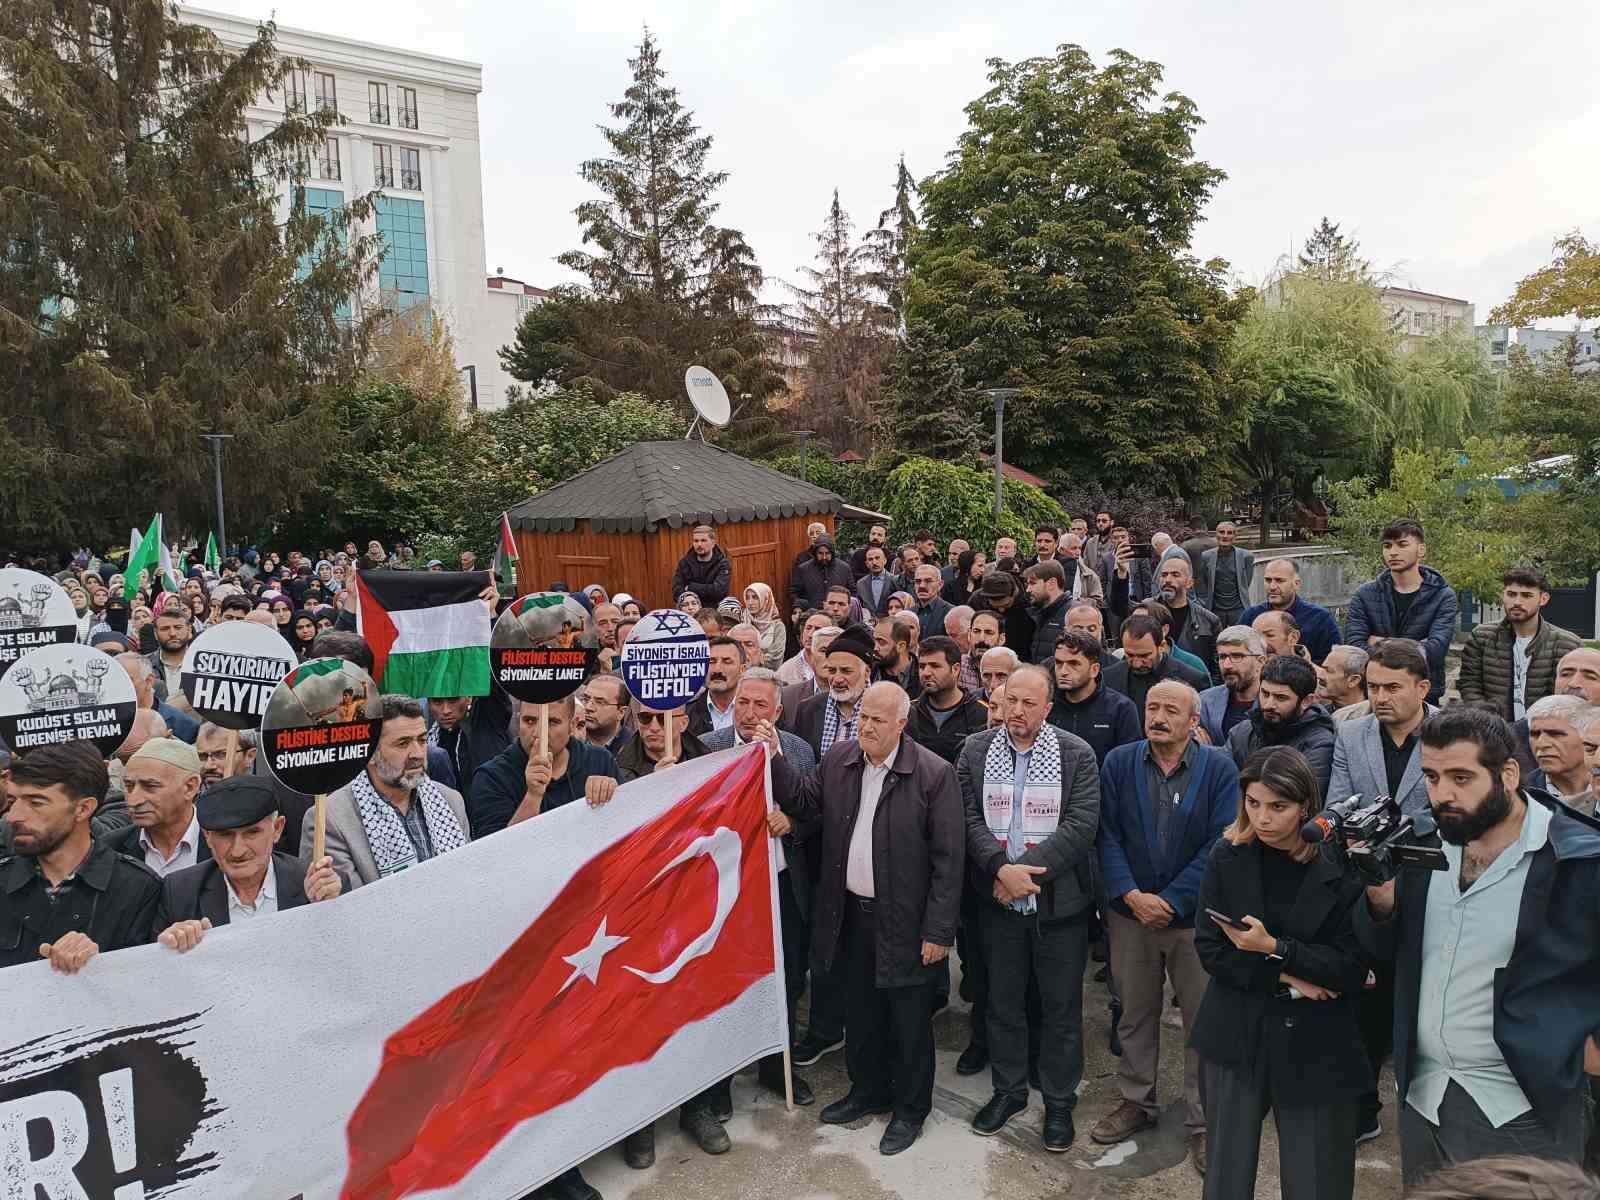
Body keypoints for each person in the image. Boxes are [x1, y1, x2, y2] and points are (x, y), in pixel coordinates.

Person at [1354, 706, 1600, 1184]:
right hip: (1423, 1098)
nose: (1442, 793)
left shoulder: (1577, 858)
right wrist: (1381, 904)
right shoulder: (1422, 843)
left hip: (1524, 1110)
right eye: (1431, 776)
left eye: (1461, 777)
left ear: (1508, 773)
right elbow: (1385, 957)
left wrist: (1578, 1051)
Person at [770, 682, 964, 1157]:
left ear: (901, 723)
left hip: (907, 921)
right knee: (860, 1013)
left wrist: (938, 932)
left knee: (908, 1022)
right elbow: (802, 800)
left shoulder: (933, 774)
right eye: (862, 717)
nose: (867, 726)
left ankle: (910, 1110)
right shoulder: (839, 760)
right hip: (849, 916)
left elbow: (948, 860)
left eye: (878, 719)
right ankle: (867, 1091)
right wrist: (774, 755)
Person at [1192, 747, 1368, 1200]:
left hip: (1317, 1043)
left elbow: (1351, 968)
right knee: (1225, 1177)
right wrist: (1289, 975)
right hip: (1235, 1031)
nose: (1263, 818)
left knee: (1317, 1180)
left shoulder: (1342, 864)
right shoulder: (1228, 854)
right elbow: (1212, 949)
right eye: (1253, 803)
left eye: (1278, 807)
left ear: (1306, 805)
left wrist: (1276, 949)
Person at [1093, 680, 1240, 1172]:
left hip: (1194, 921)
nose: (1157, 716)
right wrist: (1131, 895)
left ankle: (1202, 1122)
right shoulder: (1119, 762)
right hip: (1130, 914)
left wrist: (1172, 900)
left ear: (1193, 721)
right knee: (1134, 1012)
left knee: (1202, 1020)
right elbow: (1105, 833)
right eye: (1152, 706)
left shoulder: (1219, 768)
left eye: (1170, 710)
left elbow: (1223, 843)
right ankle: (1137, 1100)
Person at [957, 664, 1101, 1150]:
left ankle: (1059, 1102)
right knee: (1003, 1004)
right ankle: (1009, 1090)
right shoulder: (976, 751)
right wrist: (1000, 868)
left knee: (1061, 1009)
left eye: (1026, 703)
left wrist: (1024, 875)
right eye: (1009, 700)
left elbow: (1082, 825)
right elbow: (968, 816)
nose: (1015, 711)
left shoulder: (1075, 754)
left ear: (1047, 708)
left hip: (1058, 906)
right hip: (996, 902)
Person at [699, 669, 819, 1108]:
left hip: (784, 884)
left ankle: (776, 1067)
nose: (748, 714)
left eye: (760, 706)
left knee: (785, 980)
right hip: (730, 887)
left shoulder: (800, 752)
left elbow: (817, 808)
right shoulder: (707, 749)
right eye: (742, 704)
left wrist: (794, 821)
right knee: (726, 982)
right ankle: (719, 1084)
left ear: (779, 711)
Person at [2, 742, 162, 973]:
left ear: (83, 809)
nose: (14, 816)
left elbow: (153, 986)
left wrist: (100, 966)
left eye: (36, 802)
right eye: (13, 801)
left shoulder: (139, 888)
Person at [153, 777, 341, 949]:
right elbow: (156, 972)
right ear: (207, 837)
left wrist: (330, 909)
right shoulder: (179, 891)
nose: (238, 850)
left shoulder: (316, 884)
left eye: (252, 833)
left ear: (277, 828)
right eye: (225, 835)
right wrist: (172, 944)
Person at [307, 695, 471, 890]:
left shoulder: (450, 800)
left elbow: (469, 875)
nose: (417, 753)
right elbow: (345, 902)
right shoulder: (331, 819)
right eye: (403, 743)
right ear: (369, 754)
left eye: (422, 740)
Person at [469, 696, 621, 839]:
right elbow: (494, 854)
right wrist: (533, 796)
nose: (538, 733)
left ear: (572, 725)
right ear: (518, 722)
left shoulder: (599, 761)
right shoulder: (492, 777)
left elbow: (625, 826)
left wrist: (614, 794)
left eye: (552, 722)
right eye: (529, 721)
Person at [1343, 520, 1458, 703]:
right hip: (1374, 695)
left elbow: (1435, 650)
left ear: (1421, 550)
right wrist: (1415, 646)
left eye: (1402, 544)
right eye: (1387, 546)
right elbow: (1355, 647)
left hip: (1422, 696)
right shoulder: (1365, 594)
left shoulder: (1442, 596)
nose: (1393, 552)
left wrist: (1381, 643)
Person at [1457, 565, 1582, 722]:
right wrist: (1489, 723)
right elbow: (1469, 686)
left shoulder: (1567, 644)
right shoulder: (1482, 637)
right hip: (1493, 732)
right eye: (1511, 594)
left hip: (1543, 734)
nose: (1517, 602)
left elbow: (1567, 699)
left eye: (1526, 595)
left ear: (1543, 599)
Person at [1225, 655, 1336, 794]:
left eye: (1281, 698)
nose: (1269, 704)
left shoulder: (1319, 743)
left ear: (1306, 701)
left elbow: (1303, 798)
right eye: (1265, 694)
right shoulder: (1242, 732)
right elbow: (1221, 785)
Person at [101, 737, 208, 877]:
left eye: (150, 786)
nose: (134, 800)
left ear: (190, 787)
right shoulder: (109, 849)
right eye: (129, 786)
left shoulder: (224, 844)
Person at [1048, 632, 1140, 765]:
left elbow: (1128, 764)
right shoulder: (1046, 705)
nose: (1063, 671)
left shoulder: (1121, 708)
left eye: (1073, 664)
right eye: (1058, 663)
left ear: (1094, 670)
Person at [1240, 559, 1340, 665]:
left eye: (1279, 581)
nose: (1272, 587)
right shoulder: (1250, 616)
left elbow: (1333, 665)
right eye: (1268, 580)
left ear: (1296, 584)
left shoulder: (1320, 619)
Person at [426, 686, 513, 807]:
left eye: (453, 700)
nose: (445, 710)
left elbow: (490, 678)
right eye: (437, 701)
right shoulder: (428, 737)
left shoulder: (488, 721)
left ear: (469, 697)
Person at [1103, 613, 1208, 713]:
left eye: (1144, 656)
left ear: (1162, 646)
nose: (1137, 664)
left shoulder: (1192, 680)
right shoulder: (1109, 677)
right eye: (1130, 655)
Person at [905, 636, 986, 764]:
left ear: (955, 669)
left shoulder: (980, 713)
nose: (926, 673)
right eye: (922, 666)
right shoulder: (907, 712)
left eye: (935, 666)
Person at [1526, 695, 1597, 814]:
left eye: (1555, 734)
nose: (1541, 744)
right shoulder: (1519, 793)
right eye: (1535, 734)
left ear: (1586, 737)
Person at [1199, 626, 1265, 746]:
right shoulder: (1205, 701)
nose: (1227, 665)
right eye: (1222, 657)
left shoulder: (1274, 704)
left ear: (1260, 661)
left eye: (1237, 656)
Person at [1194, 522, 1255, 629]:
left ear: (1235, 537)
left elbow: (1246, 582)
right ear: (1216, 535)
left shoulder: (1246, 556)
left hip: (1238, 608)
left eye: (1230, 533)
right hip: (1215, 608)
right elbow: (1204, 582)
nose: (1225, 536)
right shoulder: (1206, 556)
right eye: (1222, 532)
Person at [687, 636, 744, 737]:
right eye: (711, 662)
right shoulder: (687, 714)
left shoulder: (757, 710)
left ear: (742, 669)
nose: (717, 669)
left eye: (727, 661)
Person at [972, 570, 1036, 660]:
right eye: (995, 607)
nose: (1001, 610)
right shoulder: (976, 601)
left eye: (1006, 605)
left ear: (1014, 594)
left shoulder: (1029, 604)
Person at [669, 524, 733, 608]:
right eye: (696, 541)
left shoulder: (722, 564)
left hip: (715, 612)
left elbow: (718, 591)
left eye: (703, 540)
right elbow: (676, 592)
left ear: (713, 543)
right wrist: (705, 592)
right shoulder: (684, 563)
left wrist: (690, 587)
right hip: (690, 611)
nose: (699, 544)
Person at [1022, 560, 1073, 665]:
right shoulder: (1036, 613)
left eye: (1032, 583)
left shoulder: (1073, 614)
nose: (1028, 589)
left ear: (1051, 583)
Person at [791, 535, 854, 611]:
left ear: (832, 553)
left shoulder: (844, 568)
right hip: (812, 615)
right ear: (815, 553)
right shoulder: (803, 569)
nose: (824, 557)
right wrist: (799, 606)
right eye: (820, 553)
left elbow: (853, 592)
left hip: (837, 615)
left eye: (827, 553)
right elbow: (794, 592)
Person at [577, 671, 631, 757]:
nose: (588, 707)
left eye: (600, 702)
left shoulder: (634, 748)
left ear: (621, 712)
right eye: (586, 699)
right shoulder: (568, 741)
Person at [741, 582, 787, 669]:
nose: (750, 602)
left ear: (766, 599)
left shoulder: (778, 627)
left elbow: (775, 659)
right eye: (747, 598)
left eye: (755, 597)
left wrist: (752, 660)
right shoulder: (743, 621)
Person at [1319, 645, 1371, 720]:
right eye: (1323, 669)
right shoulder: (1318, 716)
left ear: (1353, 680)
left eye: (1329, 671)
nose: (1320, 676)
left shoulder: (1375, 720)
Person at [871, 614, 919, 697]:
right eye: (874, 641)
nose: (875, 648)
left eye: (881, 642)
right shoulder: (868, 674)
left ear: (901, 646)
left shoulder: (921, 677)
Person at [909, 565, 951, 642]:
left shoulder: (950, 613)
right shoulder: (909, 614)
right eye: (918, 581)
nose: (922, 586)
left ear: (940, 585)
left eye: (928, 581)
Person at [855, 545, 896, 618]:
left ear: (885, 561)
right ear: (867, 564)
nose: (874, 562)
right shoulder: (861, 584)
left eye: (877, 558)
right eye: (870, 559)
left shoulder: (895, 580)